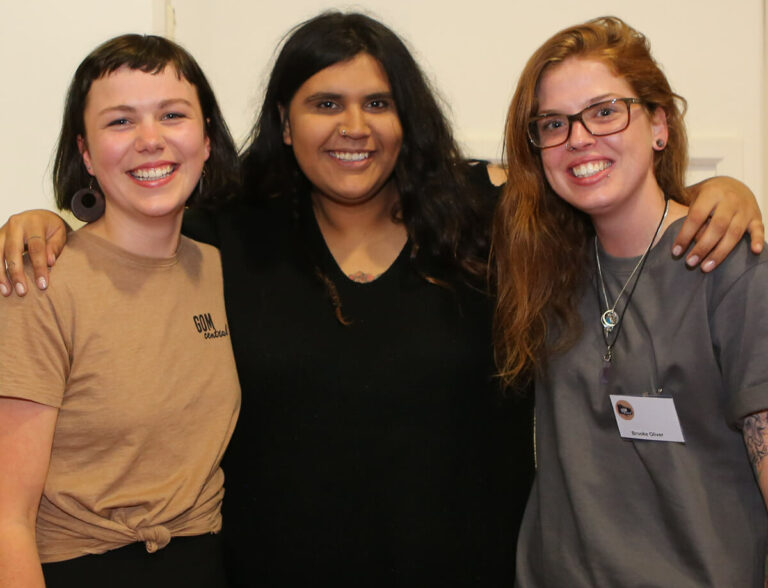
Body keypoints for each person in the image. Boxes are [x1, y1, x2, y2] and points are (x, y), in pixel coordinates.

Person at [0, 12, 763, 586]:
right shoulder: (227, 236)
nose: (354, 127)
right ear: (284, 125)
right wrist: (49, 221)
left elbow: (599, 183)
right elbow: (134, 222)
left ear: (409, 119)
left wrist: (713, 193)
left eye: (378, 103)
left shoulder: (488, 218)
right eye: (324, 104)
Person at [493, 16, 768, 586]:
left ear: (659, 123)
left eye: (604, 111)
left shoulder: (731, 264)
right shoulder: (542, 268)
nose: (579, 138)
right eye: (553, 123)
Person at [0, 35, 241, 587]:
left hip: (203, 563)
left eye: (172, 115)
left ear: (206, 140)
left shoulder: (222, 272)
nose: (151, 141)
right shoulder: (40, 282)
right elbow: (6, 519)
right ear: (85, 152)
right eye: (121, 122)